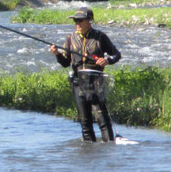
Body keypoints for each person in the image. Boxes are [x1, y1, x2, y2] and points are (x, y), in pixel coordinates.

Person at [50, 7, 121, 142]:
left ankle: (109, 147)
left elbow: (117, 54)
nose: (77, 23)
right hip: (78, 84)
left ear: (89, 21)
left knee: (103, 121)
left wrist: (107, 60)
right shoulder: (70, 39)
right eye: (75, 21)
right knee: (85, 123)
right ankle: (88, 153)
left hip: (96, 83)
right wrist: (57, 54)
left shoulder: (100, 37)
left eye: (80, 21)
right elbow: (65, 63)